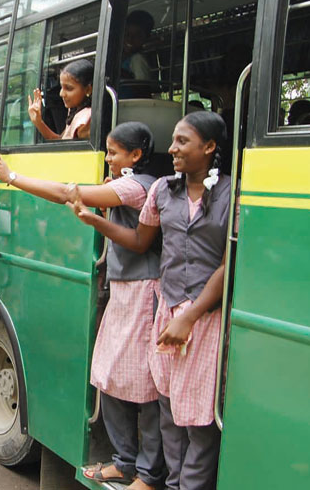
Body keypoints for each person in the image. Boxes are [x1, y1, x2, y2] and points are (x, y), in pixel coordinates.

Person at [0, 123, 166, 489]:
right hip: (125, 290)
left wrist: (12, 176)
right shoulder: (130, 182)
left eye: (114, 152)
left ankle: (147, 474)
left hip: (143, 293)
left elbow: (65, 193)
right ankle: (125, 462)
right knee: (108, 375)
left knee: (144, 386)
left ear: (135, 156)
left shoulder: (137, 186)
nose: (108, 158)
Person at [71, 111, 229, 490]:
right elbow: (141, 241)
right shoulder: (162, 190)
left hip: (204, 317)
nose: (172, 149)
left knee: (199, 418)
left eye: (182, 141)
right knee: (170, 410)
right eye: (173, 140)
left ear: (209, 148)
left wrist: (189, 318)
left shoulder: (230, 194)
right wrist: (97, 223)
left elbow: (229, 264)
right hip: (167, 308)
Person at [28, 59, 94, 140]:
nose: (61, 94)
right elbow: (61, 141)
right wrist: (38, 122)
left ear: (88, 89)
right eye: (61, 87)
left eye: (69, 88)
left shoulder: (85, 119)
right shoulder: (75, 111)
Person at [122, 10, 155, 81]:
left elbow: (142, 88)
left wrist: (122, 75)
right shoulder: (123, 60)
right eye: (127, 34)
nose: (130, 39)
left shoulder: (137, 59)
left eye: (137, 36)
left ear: (146, 38)